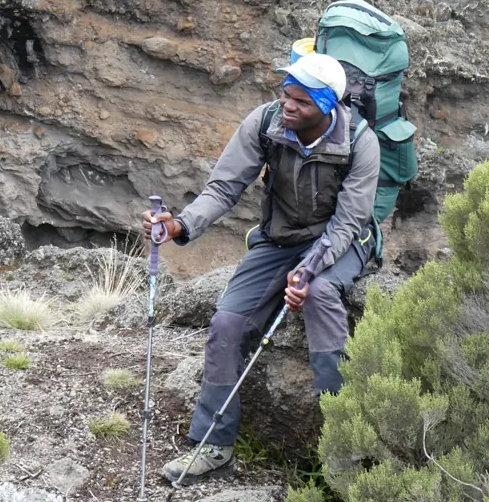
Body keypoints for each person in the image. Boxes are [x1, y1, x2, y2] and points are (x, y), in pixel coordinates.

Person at [140, 52, 381, 485]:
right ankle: (214, 446)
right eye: (286, 95)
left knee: (321, 296)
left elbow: (349, 222)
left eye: (301, 102)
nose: (288, 106)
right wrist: (179, 224)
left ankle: (344, 448)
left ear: (326, 107)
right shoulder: (265, 122)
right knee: (227, 324)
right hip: (279, 239)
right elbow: (224, 187)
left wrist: (308, 272)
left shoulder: (361, 142)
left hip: (340, 243)